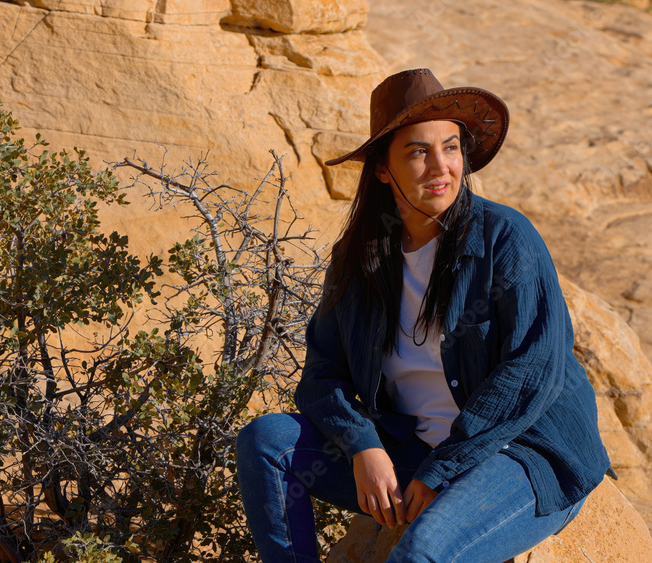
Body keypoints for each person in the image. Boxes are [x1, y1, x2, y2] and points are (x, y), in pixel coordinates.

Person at [236, 68, 613, 562]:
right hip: (411, 453)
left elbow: (529, 372)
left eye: (451, 147)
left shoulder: (506, 238)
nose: (441, 167)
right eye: (418, 151)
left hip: (518, 452)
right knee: (267, 441)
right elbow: (321, 375)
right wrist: (362, 446)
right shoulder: (359, 259)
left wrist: (444, 471)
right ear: (382, 169)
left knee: (421, 554)